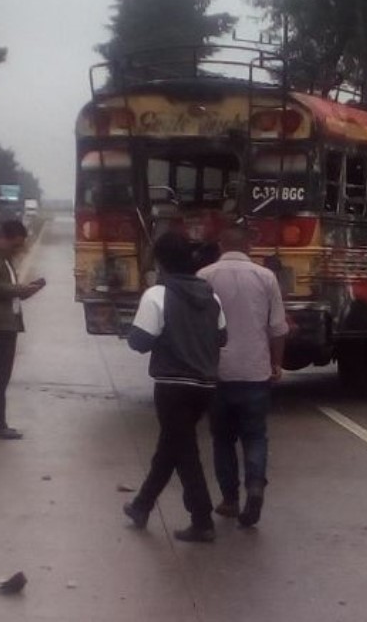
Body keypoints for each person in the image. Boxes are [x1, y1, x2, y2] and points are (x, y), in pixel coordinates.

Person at [123, 231, 227, 543]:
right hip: (205, 386)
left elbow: (139, 342)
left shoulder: (157, 295)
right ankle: (141, 504)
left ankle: (202, 519)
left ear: (161, 262)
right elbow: (222, 338)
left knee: (184, 450)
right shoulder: (211, 296)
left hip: (172, 385)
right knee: (172, 445)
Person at [198, 226, 288, 527]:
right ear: (249, 245)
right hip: (255, 372)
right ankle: (255, 486)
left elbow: (199, 326)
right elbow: (278, 328)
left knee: (222, 439)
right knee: (255, 435)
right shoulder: (266, 277)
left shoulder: (205, 276)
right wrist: (276, 364)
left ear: (221, 243)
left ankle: (230, 499)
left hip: (217, 373)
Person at [0, 220, 45, 440]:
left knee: (1, 376)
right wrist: (21, 290)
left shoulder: (3, 259)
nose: (17, 250)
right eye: (15, 245)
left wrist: (25, 289)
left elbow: (4, 286)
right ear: (3, 237)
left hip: (6, 323)